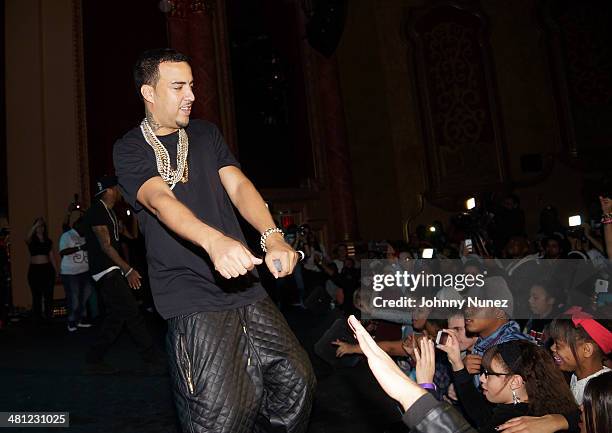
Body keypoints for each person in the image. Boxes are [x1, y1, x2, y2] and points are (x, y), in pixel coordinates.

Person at [113, 48, 315, 433]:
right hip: (190, 296)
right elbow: (160, 202)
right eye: (178, 86)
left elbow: (238, 186)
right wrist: (214, 242)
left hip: (246, 286)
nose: (190, 94)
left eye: (192, 84)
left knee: (296, 382)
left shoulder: (206, 134)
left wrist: (272, 237)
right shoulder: (129, 148)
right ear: (149, 93)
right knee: (220, 416)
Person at [82, 175, 161, 375]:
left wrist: (133, 215)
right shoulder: (97, 211)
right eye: (116, 188)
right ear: (109, 190)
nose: (119, 191)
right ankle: (152, 359)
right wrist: (128, 269)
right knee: (133, 314)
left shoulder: (111, 214)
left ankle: (93, 359)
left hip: (112, 270)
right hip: (107, 271)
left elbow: (132, 236)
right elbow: (106, 246)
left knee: (116, 318)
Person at [438, 333, 579, 433]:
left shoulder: (512, 425)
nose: (481, 378)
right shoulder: (536, 407)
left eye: (488, 374)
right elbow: (479, 411)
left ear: (515, 381)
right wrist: (456, 361)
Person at [548, 307, 611, 404]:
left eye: (558, 345)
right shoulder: (576, 376)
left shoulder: (603, 392)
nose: (552, 348)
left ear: (586, 350)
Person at [59, 213, 93, 332]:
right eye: (85, 226)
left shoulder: (85, 236)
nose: (86, 228)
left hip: (85, 271)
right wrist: (79, 248)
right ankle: (72, 321)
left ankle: (81, 319)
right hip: (70, 272)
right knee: (74, 297)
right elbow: (62, 252)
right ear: (78, 225)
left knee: (86, 294)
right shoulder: (67, 235)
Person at [26, 217, 59, 322]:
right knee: (36, 296)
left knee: (48, 295)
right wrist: (36, 225)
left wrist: (56, 270)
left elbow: (52, 256)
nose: (41, 228)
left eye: (42, 226)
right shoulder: (31, 240)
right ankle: (38, 319)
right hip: (35, 270)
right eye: (38, 226)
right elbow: (26, 238)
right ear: (35, 228)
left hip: (47, 270)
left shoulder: (48, 241)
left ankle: (49, 317)